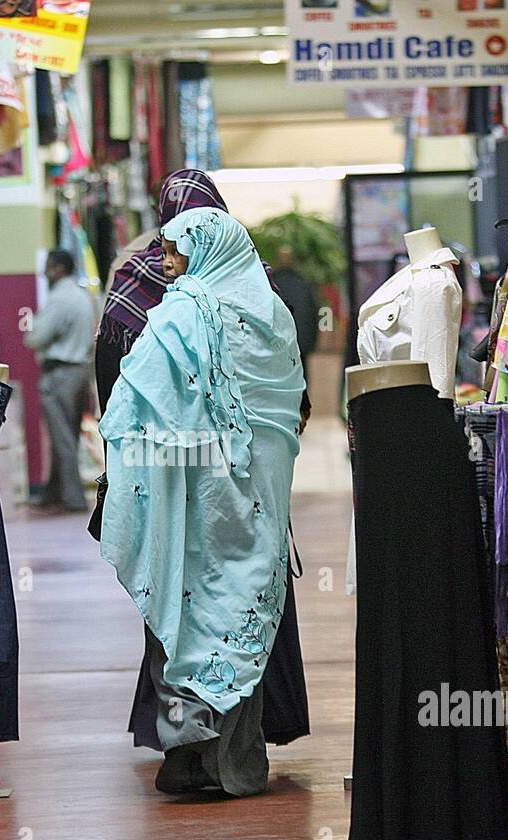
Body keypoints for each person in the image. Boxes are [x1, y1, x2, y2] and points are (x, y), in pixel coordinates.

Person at [97, 168, 313, 751]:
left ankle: (187, 747)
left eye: (175, 248)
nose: (166, 261)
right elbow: (294, 403)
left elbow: (123, 396)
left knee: (186, 603)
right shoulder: (266, 302)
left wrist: (137, 455)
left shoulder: (169, 309)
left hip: (186, 490)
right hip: (256, 487)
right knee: (246, 601)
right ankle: (235, 747)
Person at [26, 248, 94, 514]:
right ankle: (53, 492)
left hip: (60, 374)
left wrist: (33, 332)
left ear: (58, 269)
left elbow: (36, 337)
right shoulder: (80, 296)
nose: (45, 273)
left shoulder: (59, 299)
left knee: (62, 438)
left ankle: (73, 498)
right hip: (79, 372)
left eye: (49, 267)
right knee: (67, 436)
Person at [272, 245, 321, 387]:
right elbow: (313, 313)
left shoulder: (270, 283)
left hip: (276, 341)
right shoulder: (303, 283)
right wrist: (311, 341)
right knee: (302, 377)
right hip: (301, 341)